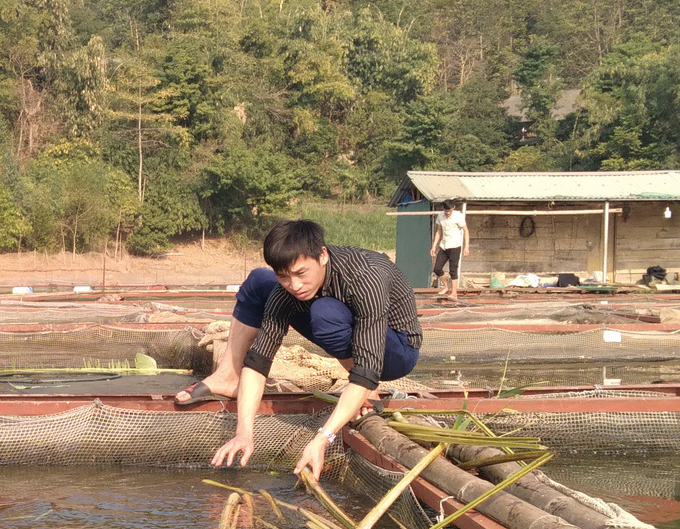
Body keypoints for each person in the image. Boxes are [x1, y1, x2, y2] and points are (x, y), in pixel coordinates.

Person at [176, 218, 421, 485]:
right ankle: (228, 375)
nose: (294, 285)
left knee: (326, 314)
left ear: (323, 255)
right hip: (345, 329)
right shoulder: (288, 291)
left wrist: (322, 438)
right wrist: (244, 432)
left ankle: (366, 393)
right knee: (262, 282)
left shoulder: (365, 278)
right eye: (284, 276)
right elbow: (258, 363)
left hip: (397, 349)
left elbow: (368, 368)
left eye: (301, 273)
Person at [431, 200, 467, 300]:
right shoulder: (440, 216)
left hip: (455, 246)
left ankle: (454, 292)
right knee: (437, 268)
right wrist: (434, 246)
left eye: (449, 211)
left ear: (453, 208)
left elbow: (466, 230)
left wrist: (466, 247)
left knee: (453, 270)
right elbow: (439, 231)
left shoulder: (458, 216)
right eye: (446, 211)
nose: (447, 213)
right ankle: (446, 287)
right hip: (444, 245)